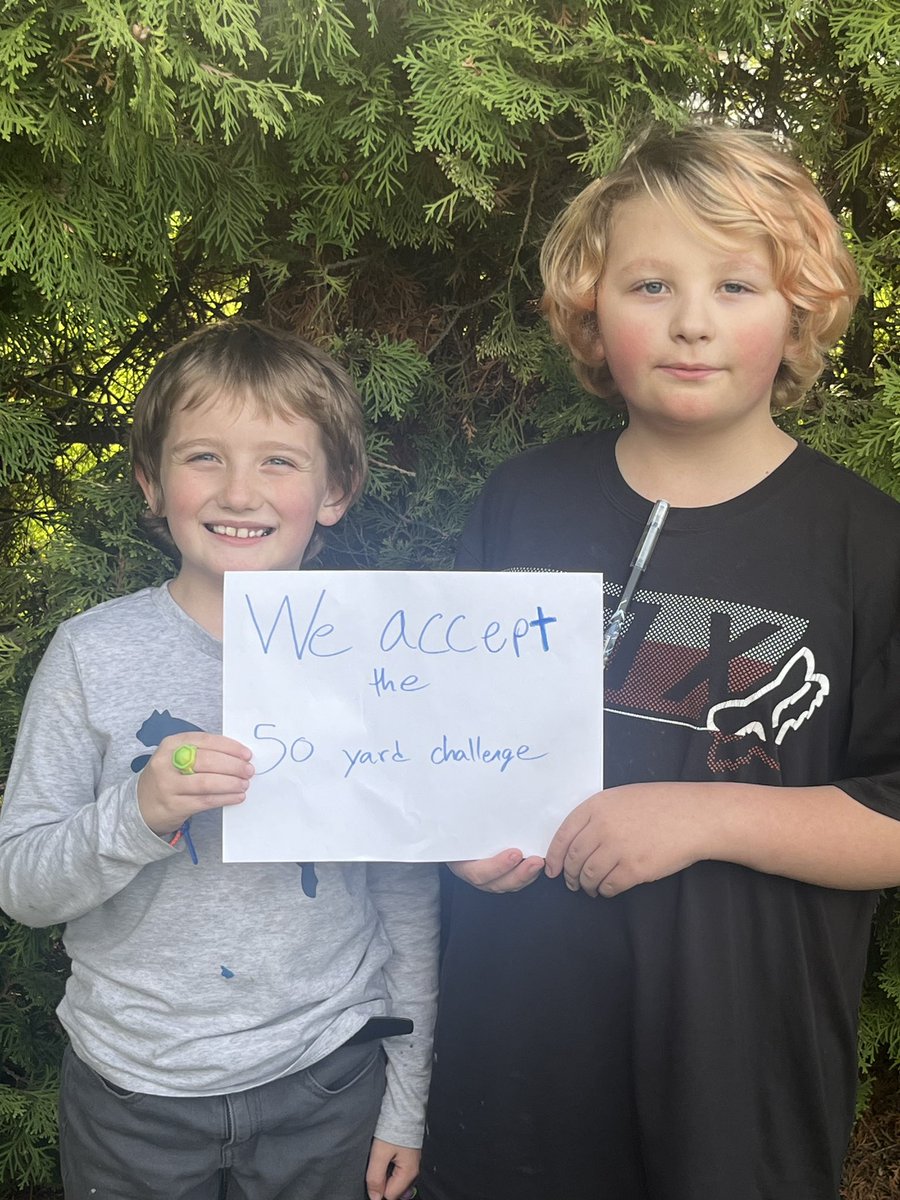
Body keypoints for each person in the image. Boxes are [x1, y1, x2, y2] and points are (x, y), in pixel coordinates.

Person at [418, 123, 900, 1200]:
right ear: (591, 310)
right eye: (649, 285)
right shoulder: (520, 503)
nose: (691, 322)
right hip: (519, 1074)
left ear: (802, 308)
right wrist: (450, 833)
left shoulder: (871, 547)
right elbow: (444, 748)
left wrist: (701, 817)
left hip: (737, 1096)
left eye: (737, 284)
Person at [0, 320, 439, 1200]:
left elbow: (406, 890)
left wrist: (407, 1100)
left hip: (326, 1079)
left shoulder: (381, 655)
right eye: (204, 456)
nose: (240, 492)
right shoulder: (94, 653)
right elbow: (22, 884)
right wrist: (141, 813)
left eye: (279, 460)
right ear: (150, 483)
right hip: (135, 1089)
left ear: (336, 489)